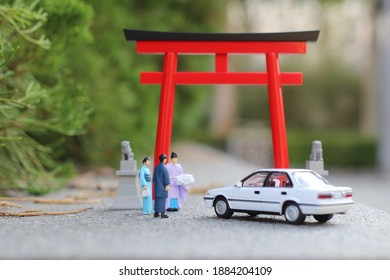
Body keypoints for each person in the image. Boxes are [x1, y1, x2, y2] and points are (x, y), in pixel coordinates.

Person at [153, 154, 170, 218]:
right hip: (162, 187)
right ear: (164, 159)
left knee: (157, 200)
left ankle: (156, 213)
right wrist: (167, 184)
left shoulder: (156, 167)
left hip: (157, 187)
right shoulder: (164, 168)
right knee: (162, 200)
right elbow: (166, 177)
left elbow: (154, 178)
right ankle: (162, 213)